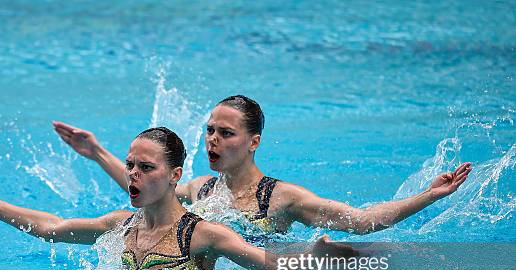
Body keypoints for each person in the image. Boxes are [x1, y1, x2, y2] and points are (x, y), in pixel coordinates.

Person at [0, 127, 354, 270]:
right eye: (130, 165)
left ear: (174, 176)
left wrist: (314, 257)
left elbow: (269, 266)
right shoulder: (120, 225)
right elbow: (51, 228)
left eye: (145, 167)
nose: (133, 173)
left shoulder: (204, 234)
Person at [54, 95, 472, 234]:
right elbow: (147, 187)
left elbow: (360, 222)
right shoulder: (201, 189)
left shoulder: (282, 198)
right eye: (210, 130)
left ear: (253, 143)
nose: (213, 140)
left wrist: (428, 196)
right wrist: (96, 153)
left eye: (226, 133)